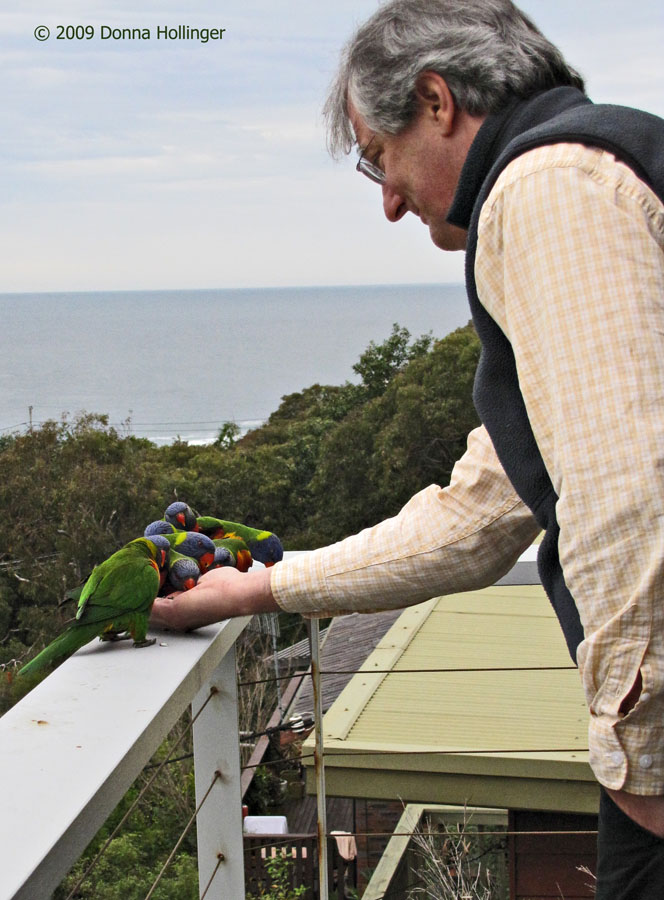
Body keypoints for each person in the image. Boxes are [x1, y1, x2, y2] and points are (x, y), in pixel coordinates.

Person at [151, 1, 664, 895]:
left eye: (378, 160)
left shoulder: (546, 194)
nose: (389, 202)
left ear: (436, 101)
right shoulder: (602, 167)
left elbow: (634, 502)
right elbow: (476, 516)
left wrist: (645, 754)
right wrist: (266, 587)